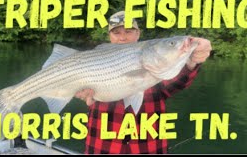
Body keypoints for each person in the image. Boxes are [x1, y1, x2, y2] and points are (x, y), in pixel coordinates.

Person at [75, 11, 212, 154]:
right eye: (117, 33)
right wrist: (82, 94)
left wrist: (192, 61)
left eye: (128, 31)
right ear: (110, 35)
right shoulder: (94, 59)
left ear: (138, 34)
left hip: (147, 147)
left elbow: (176, 82)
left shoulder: (153, 61)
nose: (123, 37)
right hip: (102, 146)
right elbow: (80, 91)